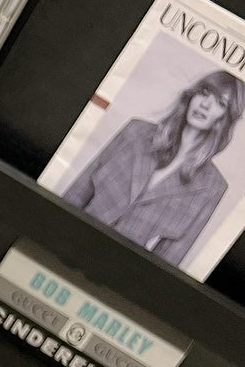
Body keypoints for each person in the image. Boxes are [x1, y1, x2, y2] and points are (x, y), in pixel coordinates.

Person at [62, 67, 245, 266]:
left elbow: (169, 259)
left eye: (220, 103)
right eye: (204, 92)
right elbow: (78, 192)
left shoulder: (212, 187)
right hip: (67, 238)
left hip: (118, 268)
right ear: (192, 96)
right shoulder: (136, 133)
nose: (205, 104)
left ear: (226, 118)